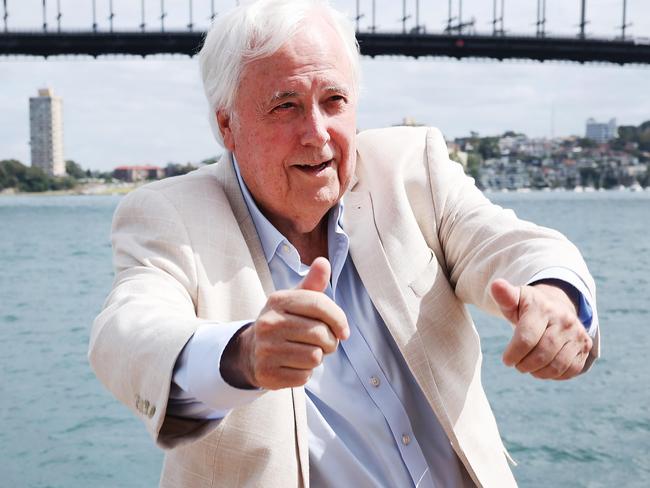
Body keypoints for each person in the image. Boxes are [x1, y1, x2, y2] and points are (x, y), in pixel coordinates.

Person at [88, 0, 599, 486]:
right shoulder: (173, 216)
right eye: (284, 106)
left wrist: (554, 295)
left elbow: (508, 242)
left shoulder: (408, 170)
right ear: (228, 125)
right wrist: (243, 355)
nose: (317, 133)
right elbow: (127, 331)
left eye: (334, 101)